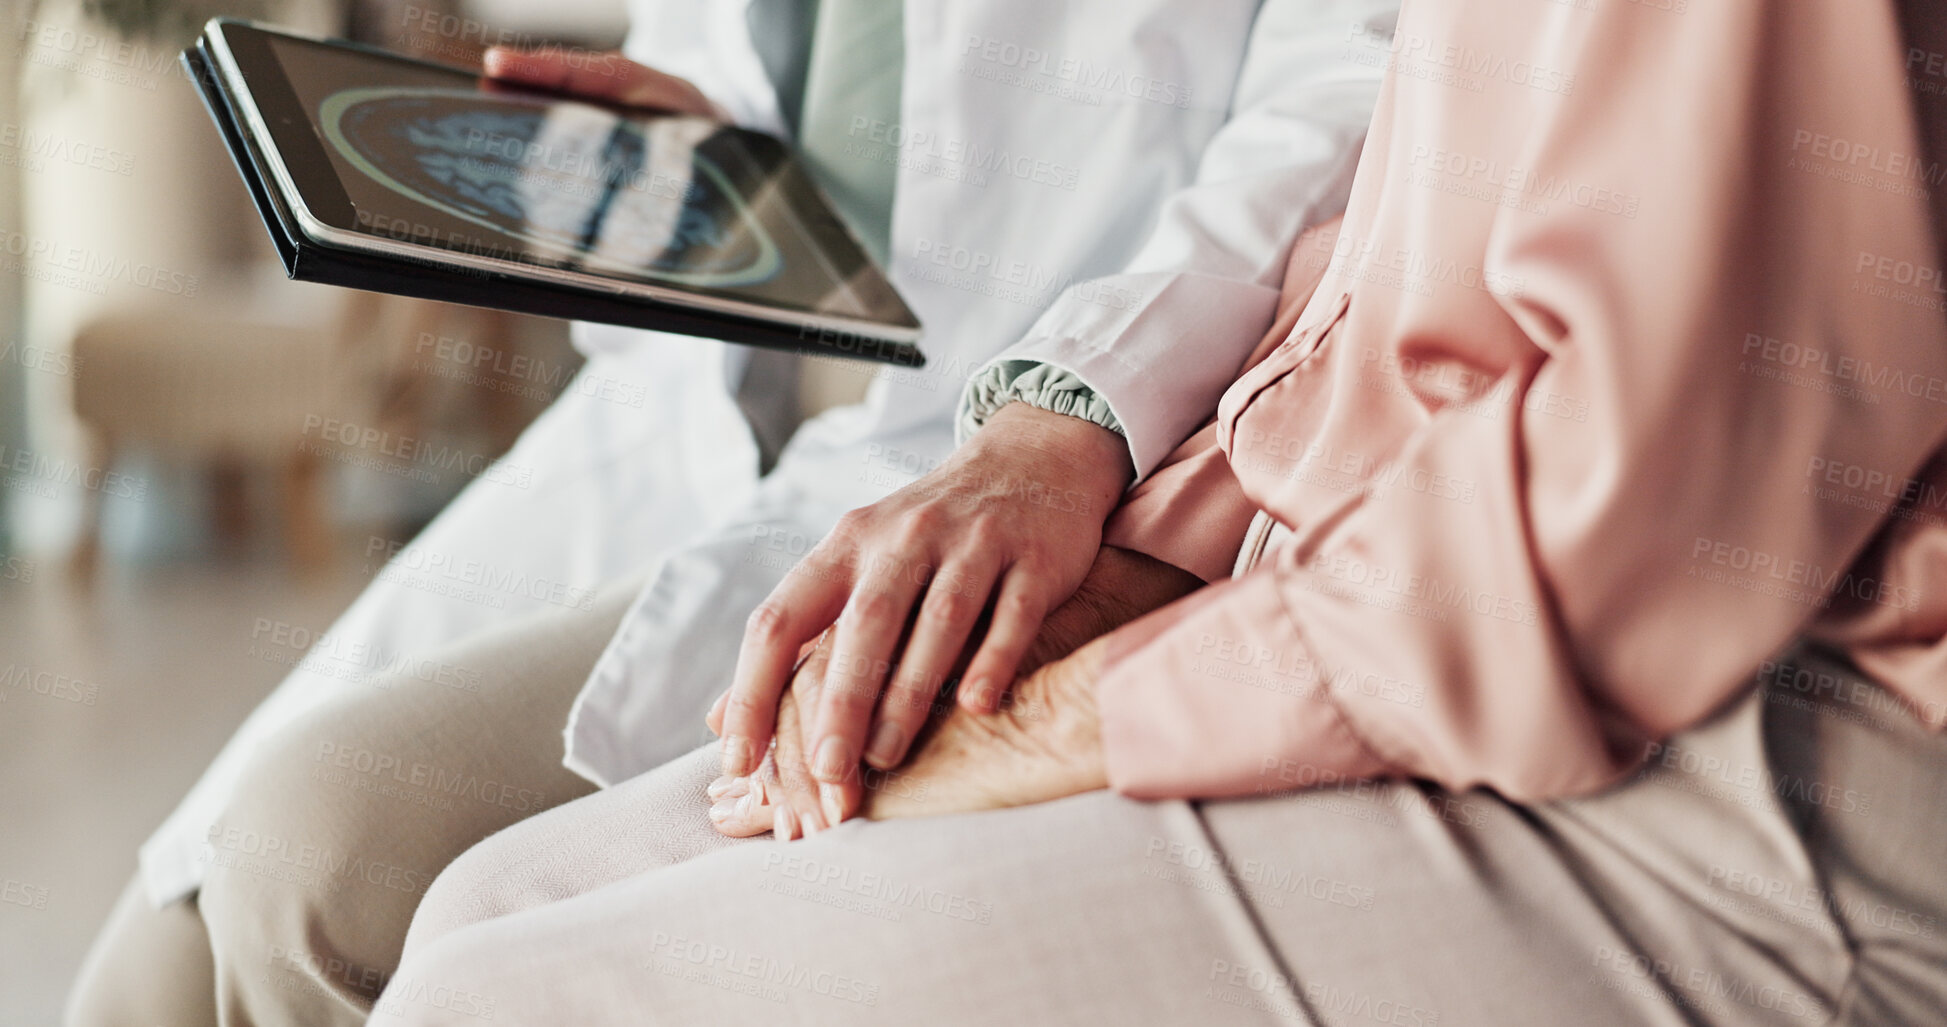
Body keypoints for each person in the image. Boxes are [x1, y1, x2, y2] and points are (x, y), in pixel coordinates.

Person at [359, 0, 1947, 1023]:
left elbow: (1643, 513)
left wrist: (1102, 705)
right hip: (1318, 556)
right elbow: (1378, 302)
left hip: (1751, 752)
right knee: (488, 909)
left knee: (510, 1002)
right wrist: (1158, 560)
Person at [65, 1, 1397, 1023]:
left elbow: (1359, 85)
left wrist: (1063, 410)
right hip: (686, 428)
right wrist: (696, 154)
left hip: (1021, 438)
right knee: (140, 988)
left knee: (311, 873)